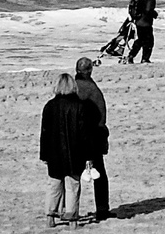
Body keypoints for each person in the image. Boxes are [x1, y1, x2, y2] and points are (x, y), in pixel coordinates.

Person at [38, 73, 98, 225]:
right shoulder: (80, 106)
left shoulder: (49, 106)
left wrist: (44, 154)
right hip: (75, 152)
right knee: (73, 185)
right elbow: (85, 134)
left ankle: (50, 216)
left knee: (54, 184)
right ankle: (72, 219)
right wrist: (89, 155)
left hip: (54, 152)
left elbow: (44, 133)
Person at [71, 56, 112, 221]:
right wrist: (102, 133)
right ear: (89, 71)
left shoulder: (73, 87)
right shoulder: (90, 88)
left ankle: (71, 210)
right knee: (99, 174)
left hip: (74, 136)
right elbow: (101, 115)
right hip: (91, 136)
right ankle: (102, 209)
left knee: (73, 175)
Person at [127, 0, 158, 64]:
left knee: (140, 40)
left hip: (138, 22)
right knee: (149, 41)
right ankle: (145, 59)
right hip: (146, 23)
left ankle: (130, 56)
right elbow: (148, 10)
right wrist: (154, 14)